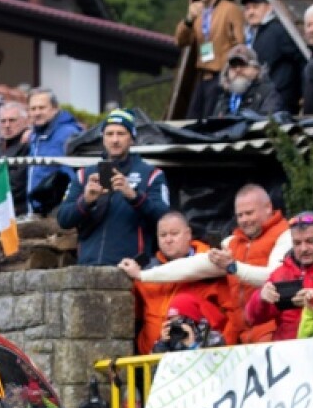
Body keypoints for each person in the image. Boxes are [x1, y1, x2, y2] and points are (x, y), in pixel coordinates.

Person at [123, 184, 290, 344]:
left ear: (268, 207)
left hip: (274, 331)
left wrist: (233, 267)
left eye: (249, 213)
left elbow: (274, 277)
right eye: (240, 215)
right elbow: (191, 266)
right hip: (244, 335)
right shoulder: (232, 242)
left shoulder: (286, 234)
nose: (244, 220)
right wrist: (142, 275)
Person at [59, 110, 171, 266]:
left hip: (131, 266)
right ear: (103, 138)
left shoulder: (152, 173)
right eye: (109, 134)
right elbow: (63, 219)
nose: (115, 140)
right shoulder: (84, 174)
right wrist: (86, 201)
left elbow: (165, 218)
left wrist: (134, 196)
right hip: (88, 265)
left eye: (121, 133)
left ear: (131, 138)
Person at [118, 211, 238, 354]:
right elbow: (131, 315)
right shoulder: (146, 271)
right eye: (163, 235)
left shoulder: (213, 266)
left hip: (202, 358)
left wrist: (224, 349)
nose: (168, 239)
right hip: (153, 360)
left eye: (174, 234)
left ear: (188, 234)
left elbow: (233, 313)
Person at [246, 212, 313, 340]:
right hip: (285, 350)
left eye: (310, 241)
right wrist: (260, 298)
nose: (303, 248)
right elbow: (251, 318)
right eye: (297, 243)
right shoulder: (282, 272)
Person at [175, 0, 245, 121]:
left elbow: (241, 43)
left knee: (212, 119)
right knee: (192, 119)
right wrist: (188, 19)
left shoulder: (229, 9)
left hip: (222, 75)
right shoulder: (196, 13)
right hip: (203, 75)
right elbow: (180, 41)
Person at [240, 0, 303, 113]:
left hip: (279, 99)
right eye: (247, 8)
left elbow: (300, 59)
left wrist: (303, 93)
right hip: (261, 98)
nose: (251, 12)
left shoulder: (277, 30)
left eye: (255, 7)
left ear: (269, 7)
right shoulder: (250, 34)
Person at [25, 87, 83, 217]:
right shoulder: (35, 135)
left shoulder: (68, 134)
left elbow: (72, 174)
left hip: (56, 211)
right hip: (38, 209)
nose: (37, 112)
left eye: (42, 108)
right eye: (33, 109)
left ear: (55, 108)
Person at [211, 45, 284, 117]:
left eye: (243, 65)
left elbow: (269, 123)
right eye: (233, 66)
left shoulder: (268, 93)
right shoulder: (224, 97)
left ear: (256, 69)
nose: (238, 70)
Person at [152, 294, 228, 353]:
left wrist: (193, 346)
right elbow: (153, 369)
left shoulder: (212, 337)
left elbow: (215, 368)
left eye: (180, 321)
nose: (177, 326)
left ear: (192, 320)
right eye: (172, 321)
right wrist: (162, 344)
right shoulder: (171, 337)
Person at [0, 102, 30, 214]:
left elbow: (18, 183)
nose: (7, 125)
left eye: (12, 120)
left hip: (19, 209)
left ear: (24, 121)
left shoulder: (27, 144)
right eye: (3, 121)